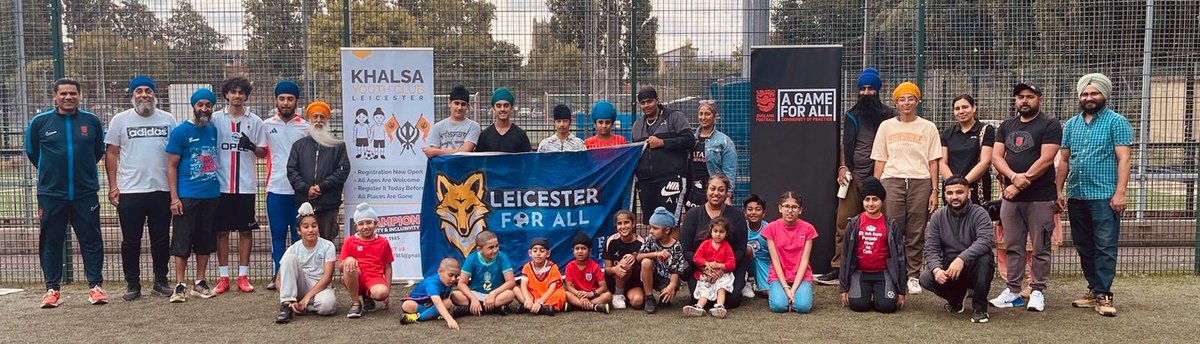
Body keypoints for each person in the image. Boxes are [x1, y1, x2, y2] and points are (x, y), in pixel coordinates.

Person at [27, 77, 108, 307]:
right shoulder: (40, 122)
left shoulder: (91, 121)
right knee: (51, 241)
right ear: (55, 96)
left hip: (85, 193)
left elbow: (97, 152)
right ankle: (52, 289)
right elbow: (33, 152)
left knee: (91, 239)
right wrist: (52, 176)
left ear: (79, 96)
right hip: (51, 194)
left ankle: (95, 287)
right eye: (63, 93)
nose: (68, 97)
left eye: (73, 93)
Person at [1057, 73, 1132, 317]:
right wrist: (1058, 189)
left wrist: (1120, 192)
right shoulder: (1071, 124)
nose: (1089, 98)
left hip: (1104, 195)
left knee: (1105, 245)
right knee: (1083, 245)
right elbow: (1064, 160)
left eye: (1094, 93)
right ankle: (1093, 289)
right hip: (1077, 194)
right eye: (1085, 94)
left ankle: (1104, 294)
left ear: (1104, 95)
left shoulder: (1117, 122)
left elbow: (1124, 159)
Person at [819, 67, 897, 286]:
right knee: (843, 222)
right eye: (862, 88)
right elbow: (845, 144)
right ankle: (838, 267)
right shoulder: (851, 114)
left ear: (878, 90)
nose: (866, 92)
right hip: (853, 177)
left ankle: (885, 268)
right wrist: (843, 167)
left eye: (871, 88)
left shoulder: (890, 115)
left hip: (880, 177)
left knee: (881, 225)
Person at [989, 81, 1062, 312]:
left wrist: (1020, 183)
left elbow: (1047, 159)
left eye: (1029, 96)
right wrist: (1012, 176)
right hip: (1011, 197)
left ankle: (1037, 290)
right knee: (1012, 245)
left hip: (1040, 196)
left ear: (1039, 98)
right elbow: (996, 157)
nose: (1024, 100)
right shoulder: (1006, 125)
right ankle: (1012, 290)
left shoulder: (1049, 124)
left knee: (1040, 245)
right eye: (1020, 97)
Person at [104, 75, 176, 301]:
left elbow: (175, 155)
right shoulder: (120, 120)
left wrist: (175, 190)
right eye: (139, 91)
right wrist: (113, 185)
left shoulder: (168, 119)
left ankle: (160, 281)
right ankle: (132, 284)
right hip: (130, 190)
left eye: (148, 91)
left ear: (154, 95)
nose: (144, 95)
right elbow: (112, 153)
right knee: (131, 240)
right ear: (132, 95)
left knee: (161, 238)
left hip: (161, 190)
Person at [870, 81, 942, 294]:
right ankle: (892, 272)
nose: (907, 103)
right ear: (896, 102)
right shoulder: (886, 126)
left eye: (911, 98)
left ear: (917, 101)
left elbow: (933, 161)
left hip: (920, 181)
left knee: (916, 230)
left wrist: (934, 190)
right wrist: (876, 190)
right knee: (892, 229)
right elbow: (880, 160)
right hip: (892, 180)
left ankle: (912, 275)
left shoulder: (928, 127)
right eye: (902, 99)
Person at [212, 76, 267, 294]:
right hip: (221, 186)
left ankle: (243, 276)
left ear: (245, 96)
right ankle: (223, 277)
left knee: (246, 231)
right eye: (232, 92)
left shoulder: (255, 121)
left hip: (245, 185)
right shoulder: (216, 119)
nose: (237, 96)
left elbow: (263, 152)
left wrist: (251, 146)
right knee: (222, 231)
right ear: (226, 95)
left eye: (241, 92)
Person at [165, 88, 222, 303]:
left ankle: (200, 282)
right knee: (182, 240)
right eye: (201, 105)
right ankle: (180, 285)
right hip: (187, 195)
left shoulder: (214, 130)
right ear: (194, 106)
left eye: (208, 105)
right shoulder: (181, 132)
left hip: (211, 194)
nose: (204, 109)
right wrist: (174, 198)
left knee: (205, 240)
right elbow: (171, 167)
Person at [920, 176, 996, 323]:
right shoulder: (938, 217)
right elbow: (931, 248)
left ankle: (980, 308)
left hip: (974, 267)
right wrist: (936, 269)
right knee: (925, 278)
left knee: (985, 258)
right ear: (945, 195)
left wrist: (961, 259)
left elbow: (985, 241)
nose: (954, 197)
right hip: (951, 270)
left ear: (968, 193)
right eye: (949, 193)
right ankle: (956, 300)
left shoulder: (980, 213)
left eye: (959, 192)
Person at [263, 80, 309, 290]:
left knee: (299, 236)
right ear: (277, 101)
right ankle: (278, 275)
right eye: (282, 98)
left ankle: (301, 277)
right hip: (276, 189)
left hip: (299, 191)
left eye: (290, 99)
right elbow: (262, 151)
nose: (285, 102)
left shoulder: (305, 127)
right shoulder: (267, 125)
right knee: (278, 235)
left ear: (296, 101)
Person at [679, 175, 750, 309]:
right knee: (701, 299)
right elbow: (686, 249)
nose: (716, 193)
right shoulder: (693, 214)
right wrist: (705, 267)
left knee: (731, 301)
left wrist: (722, 269)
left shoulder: (737, 215)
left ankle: (742, 280)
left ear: (727, 193)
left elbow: (741, 249)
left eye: (721, 190)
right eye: (712, 189)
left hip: (728, 268)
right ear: (706, 190)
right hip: (700, 267)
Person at [838, 177, 905, 314]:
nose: (870, 203)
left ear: (882, 200)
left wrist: (901, 290)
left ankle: (879, 293)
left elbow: (900, 257)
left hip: (883, 272)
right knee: (858, 305)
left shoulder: (891, 225)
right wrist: (843, 288)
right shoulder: (854, 223)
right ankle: (868, 293)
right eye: (867, 199)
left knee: (887, 307)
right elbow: (845, 256)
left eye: (875, 199)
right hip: (860, 272)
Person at [287, 100, 350, 241]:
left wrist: (322, 187)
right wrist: (306, 188)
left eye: (322, 117)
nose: (318, 121)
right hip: (304, 202)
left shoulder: (338, 145)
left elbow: (343, 170)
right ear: (309, 119)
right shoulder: (299, 146)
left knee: (327, 242)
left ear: (327, 120)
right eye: (315, 117)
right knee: (306, 243)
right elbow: (291, 170)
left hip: (328, 203)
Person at [631, 86, 695, 224]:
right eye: (643, 102)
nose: (646, 105)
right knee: (653, 224)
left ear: (657, 100)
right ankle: (655, 247)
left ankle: (672, 247)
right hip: (645, 182)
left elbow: (689, 140)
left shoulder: (675, 117)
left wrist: (662, 143)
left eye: (650, 101)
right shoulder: (637, 126)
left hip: (670, 179)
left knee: (670, 222)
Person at [274, 202, 337, 323]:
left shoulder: (328, 246)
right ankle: (288, 305)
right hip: (300, 286)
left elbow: (328, 277)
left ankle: (303, 305)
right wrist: (285, 294)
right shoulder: (293, 249)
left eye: (314, 226)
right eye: (306, 227)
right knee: (289, 258)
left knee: (327, 306)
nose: (311, 230)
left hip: (320, 287)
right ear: (299, 230)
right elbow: (278, 280)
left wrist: (307, 297)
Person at [763, 192, 816, 314]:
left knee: (803, 308)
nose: (790, 210)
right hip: (778, 275)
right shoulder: (771, 228)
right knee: (779, 306)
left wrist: (794, 289)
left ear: (800, 210)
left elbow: (804, 261)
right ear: (780, 208)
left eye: (794, 207)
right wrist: (786, 288)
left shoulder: (808, 229)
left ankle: (798, 294)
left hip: (801, 276)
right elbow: (775, 261)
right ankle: (783, 295)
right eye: (786, 206)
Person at [939, 94, 995, 206]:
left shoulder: (985, 130)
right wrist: (954, 185)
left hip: (977, 190)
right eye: (957, 109)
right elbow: (942, 162)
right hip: (952, 190)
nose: (961, 111)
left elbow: (985, 161)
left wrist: (964, 184)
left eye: (965, 107)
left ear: (974, 108)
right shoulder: (947, 133)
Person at [340, 203, 393, 318]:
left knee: (382, 293)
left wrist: (388, 291)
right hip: (355, 276)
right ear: (356, 226)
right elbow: (340, 266)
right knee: (350, 264)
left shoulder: (383, 242)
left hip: (374, 277)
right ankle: (355, 303)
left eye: (369, 222)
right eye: (361, 224)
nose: (365, 227)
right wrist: (348, 260)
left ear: (376, 223)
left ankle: (368, 296)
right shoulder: (350, 241)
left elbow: (388, 267)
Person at [684, 99, 737, 213]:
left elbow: (729, 170)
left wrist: (728, 195)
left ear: (715, 117)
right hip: (693, 191)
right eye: (701, 114)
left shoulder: (724, 141)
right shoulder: (691, 139)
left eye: (707, 114)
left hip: (714, 191)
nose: (703, 117)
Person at [451, 231, 518, 315]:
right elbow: (461, 283)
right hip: (476, 294)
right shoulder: (472, 258)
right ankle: (493, 309)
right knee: (455, 296)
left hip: (496, 294)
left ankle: (473, 309)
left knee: (510, 294)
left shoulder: (502, 257)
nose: (495, 250)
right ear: (479, 249)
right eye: (491, 247)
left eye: (497, 246)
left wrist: (493, 294)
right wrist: (473, 299)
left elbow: (511, 282)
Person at [638, 207, 689, 314]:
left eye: (655, 228)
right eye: (651, 227)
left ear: (667, 230)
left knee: (666, 300)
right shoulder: (650, 239)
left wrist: (672, 285)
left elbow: (676, 270)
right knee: (646, 261)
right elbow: (639, 256)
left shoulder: (677, 246)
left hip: (668, 278)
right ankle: (649, 297)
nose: (651, 231)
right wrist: (656, 254)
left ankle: (665, 294)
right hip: (653, 274)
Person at [683, 217, 736, 318]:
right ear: (711, 231)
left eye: (721, 231)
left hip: (722, 275)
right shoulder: (705, 244)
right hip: (706, 274)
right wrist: (706, 263)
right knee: (704, 290)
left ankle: (720, 306)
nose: (718, 234)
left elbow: (732, 263)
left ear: (726, 233)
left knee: (721, 288)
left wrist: (720, 265)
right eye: (715, 231)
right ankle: (699, 307)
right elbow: (696, 257)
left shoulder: (726, 246)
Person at [400, 257, 463, 329]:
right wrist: (449, 319)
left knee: (448, 302)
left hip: (431, 306)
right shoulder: (432, 283)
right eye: (450, 275)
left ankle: (418, 317)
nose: (453, 279)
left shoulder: (448, 282)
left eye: (456, 276)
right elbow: (438, 303)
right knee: (407, 305)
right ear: (439, 271)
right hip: (420, 305)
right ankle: (426, 316)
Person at [604, 210, 645, 310]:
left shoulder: (641, 242)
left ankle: (625, 296)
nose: (623, 226)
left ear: (633, 223)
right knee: (624, 262)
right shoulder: (611, 241)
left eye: (626, 222)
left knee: (637, 301)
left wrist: (635, 256)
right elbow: (606, 269)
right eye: (619, 224)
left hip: (633, 283)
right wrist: (615, 270)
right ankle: (618, 294)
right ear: (616, 226)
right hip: (614, 281)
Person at [514, 238, 567, 316]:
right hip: (532, 296)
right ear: (530, 253)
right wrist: (528, 299)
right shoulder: (527, 266)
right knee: (515, 289)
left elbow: (552, 288)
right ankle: (538, 308)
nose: (538, 253)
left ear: (548, 253)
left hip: (547, 296)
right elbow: (523, 285)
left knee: (561, 294)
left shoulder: (552, 267)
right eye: (535, 251)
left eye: (542, 251)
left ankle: (534, 308)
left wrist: (540, 301)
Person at [423, 85, 480, 157]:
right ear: (449, 103)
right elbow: (432, 154)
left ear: (468, 106)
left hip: (464, 167)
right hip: (443, 167)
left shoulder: (473, 126)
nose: (459, 107)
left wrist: (437, 151)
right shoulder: (438, 126)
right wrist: (435, 152)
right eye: (456, 103)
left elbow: (465, 151)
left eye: (463, 104)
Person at [564, 231, 612, 313]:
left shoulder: (595, 266)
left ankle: (577, 306)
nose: (580, 251)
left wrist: (590, 294)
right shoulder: (570, 266)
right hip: (577, 295)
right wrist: (579, 294)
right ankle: (593, 307)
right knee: (566, 294)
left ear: (589, 251)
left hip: (593, 295)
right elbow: (568, 286)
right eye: (577, 248)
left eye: (583, 248)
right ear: (573, 251)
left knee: (608, 296)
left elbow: (603, 287)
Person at [476, 87, 532, 153]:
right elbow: (479, 161)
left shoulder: (521, 135)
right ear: (493, 109)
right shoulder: (484, 135)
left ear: (511, 108)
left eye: (506, 105)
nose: (502, 109)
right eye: (498, 106)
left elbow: (527, 160)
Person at [743, 195, 770, 297]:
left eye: (758, 209)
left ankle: (760, 283)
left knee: (767, 293)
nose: (753, 212)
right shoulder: (741, 227)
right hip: (746, 265)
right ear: (745, 213)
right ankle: (744, 281)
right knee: (747, 250)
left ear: (763, 213)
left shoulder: (769, 228)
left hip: (763, 264)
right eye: (750, 209)